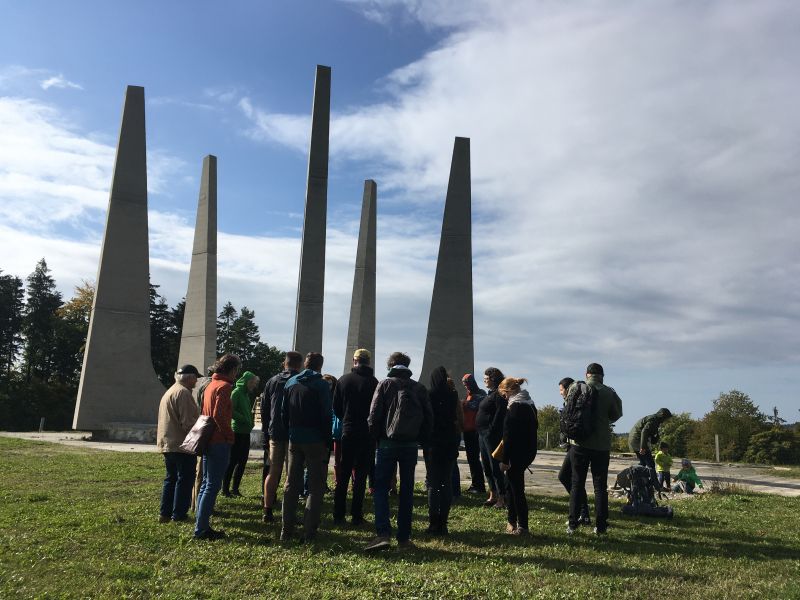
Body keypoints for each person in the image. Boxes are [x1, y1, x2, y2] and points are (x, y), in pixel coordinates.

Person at [364, 352, 432, 551]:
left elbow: (374, 414)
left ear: (391, 365)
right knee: (407, 491)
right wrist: (421, 440)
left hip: (386, 444)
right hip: (410, 446)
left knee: (381, 489)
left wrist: (375, 438)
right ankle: (404, 538)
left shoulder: (385, 384)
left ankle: (383, 533)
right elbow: (429, 417)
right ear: (407, 366)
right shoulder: (418, 387)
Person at [280, 352, 332, 543]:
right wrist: (328, 440)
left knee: (291, 484)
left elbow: (283, 412)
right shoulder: (321, 385)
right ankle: (309, 532)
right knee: (315, 486)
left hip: (295, 438)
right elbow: (326, 415)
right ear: (320, 366)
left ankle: (286, 530)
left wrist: (290, 432)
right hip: (316, 440)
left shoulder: (291, 383)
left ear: (306, 364)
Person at [566, 363, 623, 536]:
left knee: (577, 483)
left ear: (587, 374)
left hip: (579, 443)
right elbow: (616, 414)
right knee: (600, 486)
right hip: (601, 446)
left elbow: (568, 407)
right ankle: (600, 526)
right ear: (602, 376)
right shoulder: (609, 392)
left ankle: (573, 523)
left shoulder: (576, 387)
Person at [194, 354, 240, 540]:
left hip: (207, 439)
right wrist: (229, 435)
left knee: (206, 483)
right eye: (237, 369)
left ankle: (201, 524)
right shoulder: (225, 386)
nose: (237, 373)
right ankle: (201, 529)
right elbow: (219, 414)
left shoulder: (210, 385)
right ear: (232, 369)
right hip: (218, 441)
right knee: (212, 485)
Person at [333, 349, 379, 526]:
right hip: (366, 434)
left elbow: (336, 407)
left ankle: (338, 515)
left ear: (354, 361)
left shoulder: (343, 380)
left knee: (344, 473)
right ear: (368, 362)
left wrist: (346, 419)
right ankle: (357, 515)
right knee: (361, 475)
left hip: (348, 431)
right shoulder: (374, 382)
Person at [262, 351, 303, 523]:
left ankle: (267, 511)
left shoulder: (272, 381)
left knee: (273, 471)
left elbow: (265, 410)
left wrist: (266, 432)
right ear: (299, 365)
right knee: (291, 474)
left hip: (275, 432)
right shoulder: (300, 381)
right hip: (294, 433)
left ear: (284, 363)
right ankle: (289, 514)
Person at [156, 364, 200, 523]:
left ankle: (165, 513)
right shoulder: (183, 393)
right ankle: (179, 514)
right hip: (182, 445)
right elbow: (188, 423)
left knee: (171, 478)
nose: (196, 383)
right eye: (196, 378)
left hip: (168, 443)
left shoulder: (170, 391)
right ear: (190, 378)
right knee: (185, 479)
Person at [496, 377, 538, 535]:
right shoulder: (530, 403)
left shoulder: (514, 407)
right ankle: (512, 521)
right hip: (528, 451)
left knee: (516, 490)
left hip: (516, 453)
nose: (504, 398)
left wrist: (505, 459)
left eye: (504, 395)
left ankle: (522, 526)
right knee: (511, 487)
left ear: (510, 391)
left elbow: (508, 435)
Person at [425, 366, 463, 536]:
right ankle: (443, 523)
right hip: (449, 442)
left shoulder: (429, 395)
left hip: (433, 443)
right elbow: (459, 419)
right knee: (446, 482)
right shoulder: (453, 395)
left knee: (433, 483)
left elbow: (425, 418)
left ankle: (433, 523)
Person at [556, 377, 590, 525]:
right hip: (572, 445)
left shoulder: (575, 401)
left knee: (570, 478)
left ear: (568, 388)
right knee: (566, 477)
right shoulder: (570, 401)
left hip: (578, 445)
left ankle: (583, 513)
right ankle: (583, 512)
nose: (560, 393)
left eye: (561, 390)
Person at [223, 371, 258, 497]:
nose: (254, 386)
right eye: (253, 383)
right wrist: (244, 419)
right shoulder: (236, 392)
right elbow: (231, 411)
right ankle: (225, 489)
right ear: (247, 382)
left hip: (246, 432)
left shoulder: (247, 395)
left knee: (242, 461)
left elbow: (247, 411)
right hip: (237, 430)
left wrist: (250, 421)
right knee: (232, 461)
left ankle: (235, 489)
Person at [476, 367, 507, 509]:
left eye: (486, 379)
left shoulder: (499, 395)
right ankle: (492, 494)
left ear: (493, 379)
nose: (484, 381)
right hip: (482, 434)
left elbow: (500, 415)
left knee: (495, 467)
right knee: (486, 466)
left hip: (490, 435)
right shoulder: (490, 393)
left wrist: (491, 431)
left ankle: (502, 497)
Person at [628, 408, 672, 489]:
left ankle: (638, 480)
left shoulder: (655, 420)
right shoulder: (653, 421)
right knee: (650, 464)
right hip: (637, 441)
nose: (666, 420)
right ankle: (656, 485)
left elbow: (652, 438)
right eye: (666, 418)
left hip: (635, 440)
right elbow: (644, 432)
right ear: (662, 416)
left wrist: (656, 437)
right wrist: (643, 447)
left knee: (643, 463)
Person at [460, 374, 487, 495]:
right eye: (464, 385)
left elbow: (476, 406)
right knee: (471, 459)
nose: (466, 387)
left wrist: (463, 404)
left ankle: (478, 485)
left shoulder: (481, 394)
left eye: (467, 384)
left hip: (475, 431)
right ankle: (475, 484)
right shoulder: (470, 394)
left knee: (474, 459)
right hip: (468, 430)